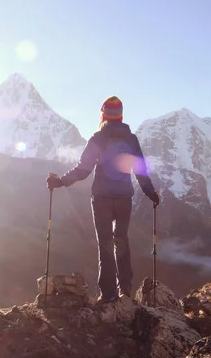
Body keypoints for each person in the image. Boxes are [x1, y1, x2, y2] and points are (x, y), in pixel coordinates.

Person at [46, 96, 160, 303]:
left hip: (101, 198)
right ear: (121, 115)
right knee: (122, 240)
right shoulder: (131, 139)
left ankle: (108, 294)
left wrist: (60, 181)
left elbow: (83, 170)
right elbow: (140, 172)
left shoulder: (98, 138)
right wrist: (151, 193)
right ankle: (125, 288)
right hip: (124, 198)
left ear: (104, 115)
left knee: (105, 244)